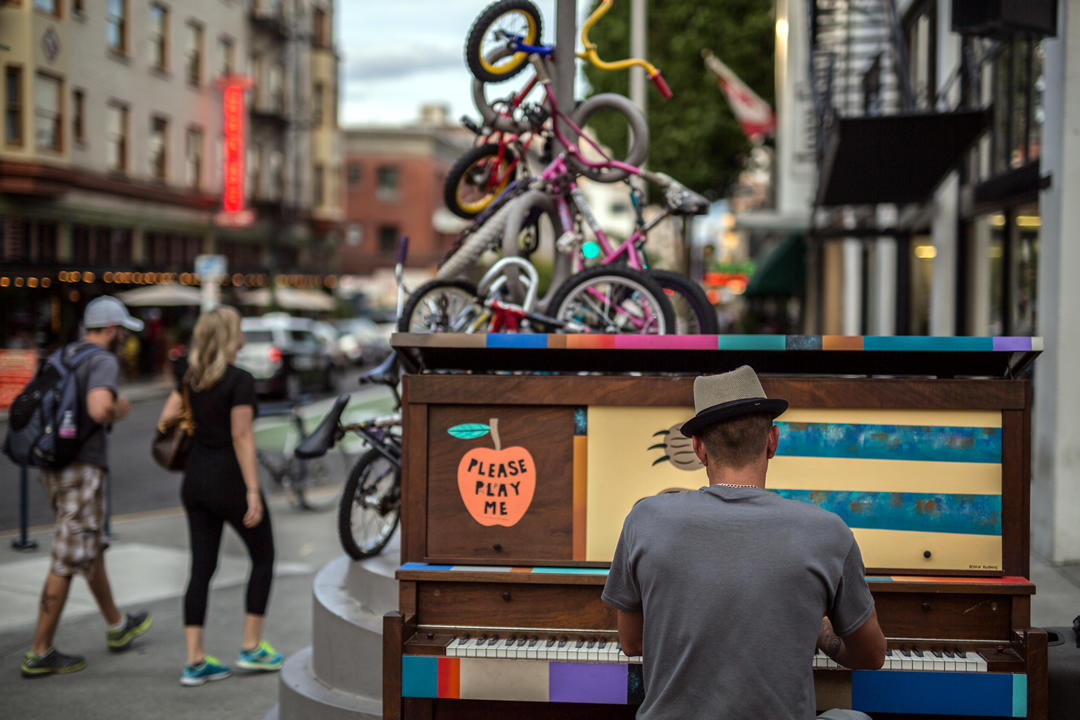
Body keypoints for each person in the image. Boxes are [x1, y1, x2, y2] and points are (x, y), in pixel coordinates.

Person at [602, 365, 887, 719]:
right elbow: (871, 656)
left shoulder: (643, 520)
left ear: (697, 448)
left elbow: (632, 643)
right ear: (772, 441)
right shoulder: (828, 531)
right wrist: (816, 626)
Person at [21, 296, 153, 678]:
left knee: (87, 545)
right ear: (110, 329)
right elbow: (98, 409)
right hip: (81, 466)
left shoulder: (65, 355)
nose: (124, 340)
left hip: (53, 464)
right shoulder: (102, 361)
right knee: (68, 555)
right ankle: (39, 651)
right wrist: (119, 408)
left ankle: (116, 625)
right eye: (122, 332)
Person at [156, 306, 282, 687]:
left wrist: (194, 419)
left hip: (194, 481)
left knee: (201, 568)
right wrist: (253, 492)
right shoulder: (239, 380)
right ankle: (251, 646)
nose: (243, 332)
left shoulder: (189, 377)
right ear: (230, 336)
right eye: (240, 328)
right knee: (263, 556)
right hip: (228, 481)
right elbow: (242, 436)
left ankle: (195, 661)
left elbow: (164, 421)